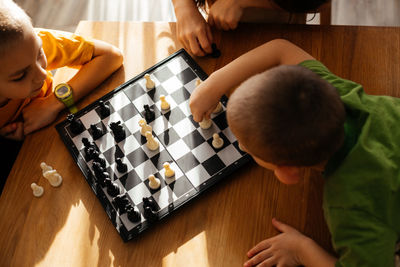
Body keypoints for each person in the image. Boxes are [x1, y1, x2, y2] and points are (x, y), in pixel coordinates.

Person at [190, 38, 400, 266]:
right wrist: (214, 84)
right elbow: (281, 48)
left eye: (246, 147)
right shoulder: (337, 93)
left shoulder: (351, 209)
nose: (240, 145)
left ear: (287, 172)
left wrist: (301, 249)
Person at [0, 0, 123, 186]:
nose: (42, 73)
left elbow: (111, 56)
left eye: (39, 53)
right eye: (20, 76)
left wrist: (51, 104)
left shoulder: (26, 43)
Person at [172, 0, 329, 56]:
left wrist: (241, 1)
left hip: (283, 29)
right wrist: (183, 7)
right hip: (224, 37)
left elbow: (321, 3)